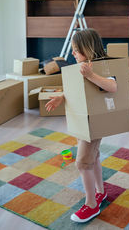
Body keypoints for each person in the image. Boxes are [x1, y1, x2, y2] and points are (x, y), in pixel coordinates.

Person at [45, 28, 117, 223]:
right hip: (82, 120)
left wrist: (91, 75)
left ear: (88, 48)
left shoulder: (102, 67)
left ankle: (91, 205)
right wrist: (61, 96)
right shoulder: (80, 68)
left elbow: (112, 86)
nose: (73, 53)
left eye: (76, 49)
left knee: (82, 163)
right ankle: (100, 193)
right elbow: (78, 92)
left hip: (94, 122)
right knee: (93, 158)